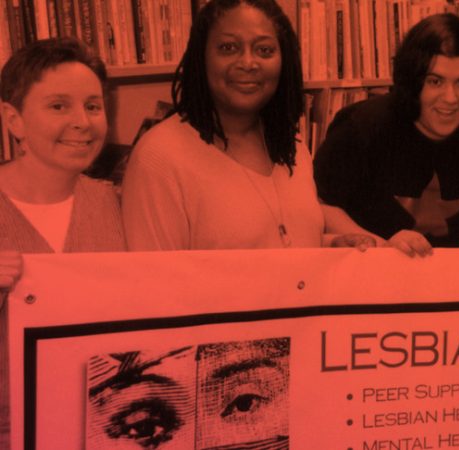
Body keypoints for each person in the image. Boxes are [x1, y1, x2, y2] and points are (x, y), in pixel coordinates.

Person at [313, 13, 459, 258]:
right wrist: (380, 245)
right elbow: (321, 206)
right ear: (413, 80)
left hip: (442, 283)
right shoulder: (361, 126)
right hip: (364, 279)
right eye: (435, 81)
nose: (450, 98)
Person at [0, 36, 125, 450]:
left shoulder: (116, 203)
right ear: (13, 119)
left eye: (92, 105)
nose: (82, 122)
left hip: (105, 428)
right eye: (58, 106)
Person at [121, 0, 326, 250]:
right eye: (228, 48)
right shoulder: (159, 158)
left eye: (264, 50)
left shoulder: (292, 146)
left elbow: (284, 239)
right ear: (201, 58)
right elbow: (153, 279)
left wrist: (333, 246)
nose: (248, 63)